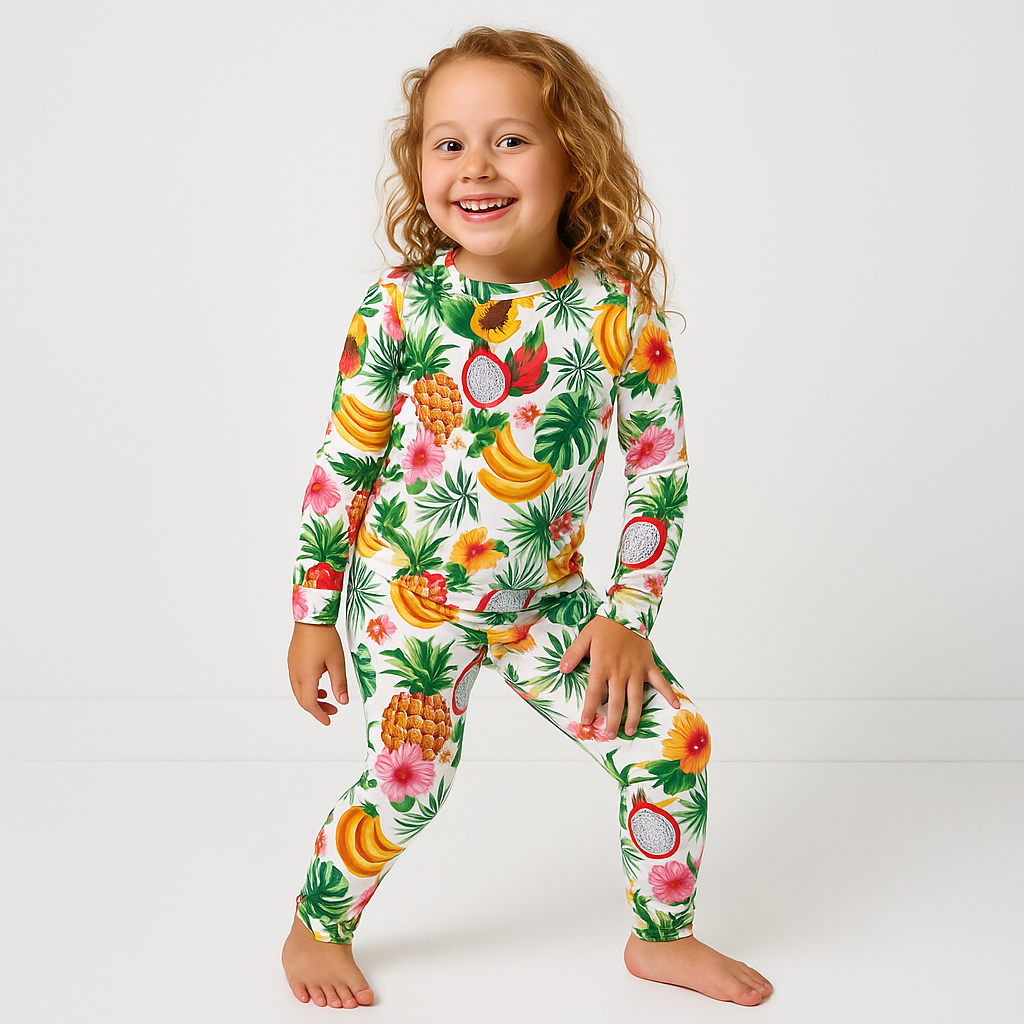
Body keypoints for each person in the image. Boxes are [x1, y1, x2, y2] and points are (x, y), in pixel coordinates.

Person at [281, 26, 773, 1009]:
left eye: (509, 139)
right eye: (446, 142)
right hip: (405, 603)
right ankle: (316, 922)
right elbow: (341, 463)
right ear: (417, 163)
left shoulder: (616, 313)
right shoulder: (399, 307)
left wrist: (626, 618)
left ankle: (662, 935)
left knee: (672, 741)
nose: (474, 167)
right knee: (409, 781)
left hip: (547, 601)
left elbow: (657, 472)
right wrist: (310, 612)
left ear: (571, 155)